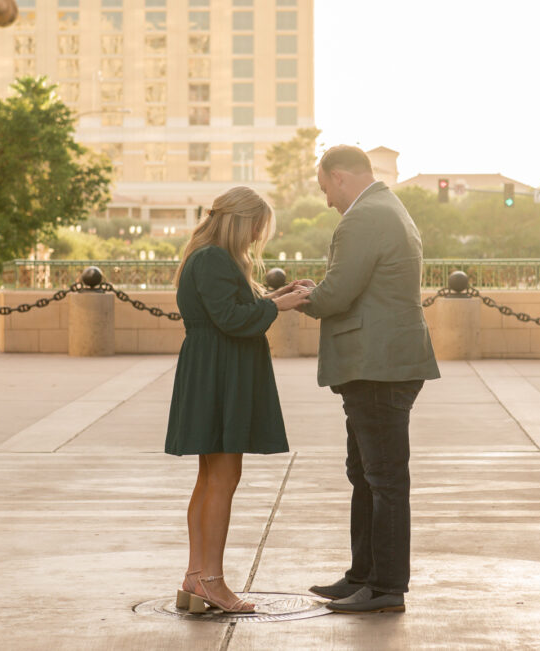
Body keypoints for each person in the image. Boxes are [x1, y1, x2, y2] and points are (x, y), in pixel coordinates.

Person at [294, 146, 439, 614]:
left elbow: (338, 293)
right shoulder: (388, 207)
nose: (327, 201)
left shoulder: (363, 217)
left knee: (383, 480)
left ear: (339, 178)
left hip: (377, 367)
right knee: (367, 476)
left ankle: (384, 588)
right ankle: (363, 577)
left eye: (324, 190)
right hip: (385, 363)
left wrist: (305, 297)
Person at [165, 186, 310, 614]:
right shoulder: (212, 258)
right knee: (223, 479)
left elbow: (226, 309)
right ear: (240, 221)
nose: (255, 238)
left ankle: (196, 577)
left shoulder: (209, 256)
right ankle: (211, 580)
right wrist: (278, 307)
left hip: (213, 372)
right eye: (256, 229)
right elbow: (230, 320)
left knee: (211, 480)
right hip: (219, 375)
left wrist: (274, 299)